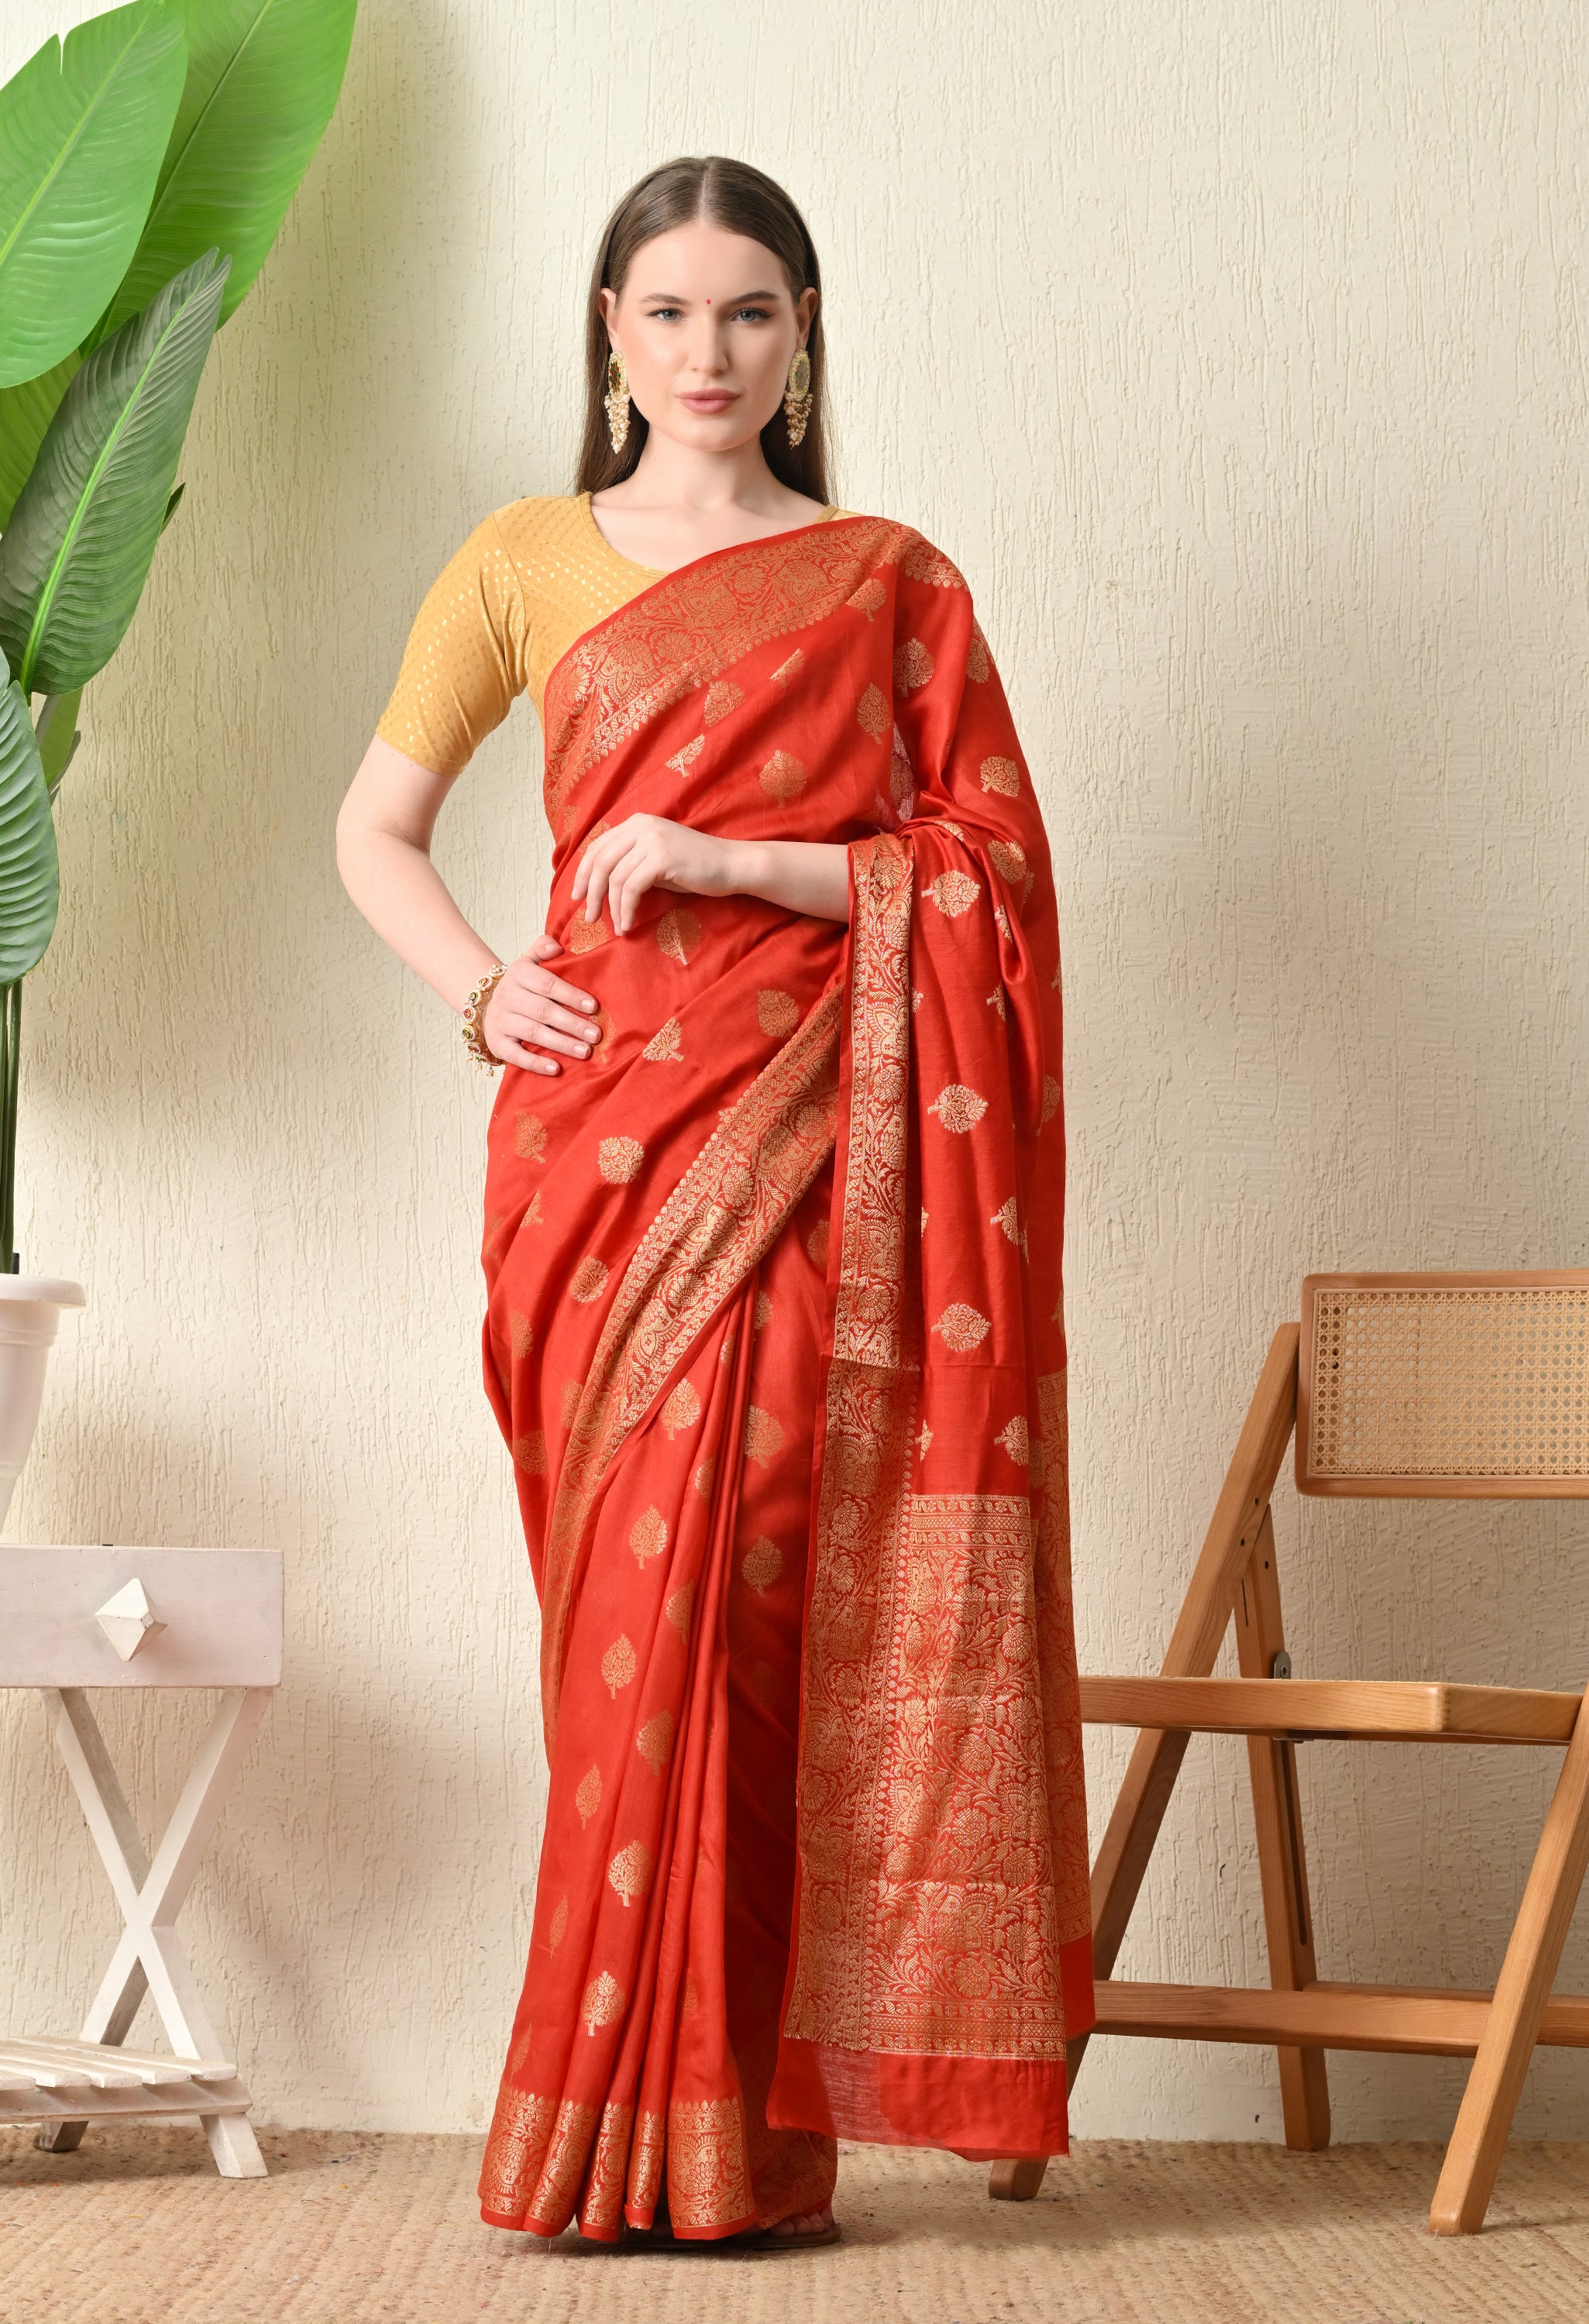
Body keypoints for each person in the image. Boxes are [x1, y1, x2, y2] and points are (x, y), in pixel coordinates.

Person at [336, 154, 1091, 2252]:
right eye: (665, 313)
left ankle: (739, 2147)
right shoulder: (516, 559)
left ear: (804, 334)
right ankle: (599, 2131)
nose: (705, 354)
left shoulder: (883, 580)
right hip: (595, 1162)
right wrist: (489, 992)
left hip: (820, 1147)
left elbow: (992, 877)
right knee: (618, 1637)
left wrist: (731, 861)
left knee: (756, 1608)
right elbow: (375, 829)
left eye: (746, 313)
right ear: (606, 333)